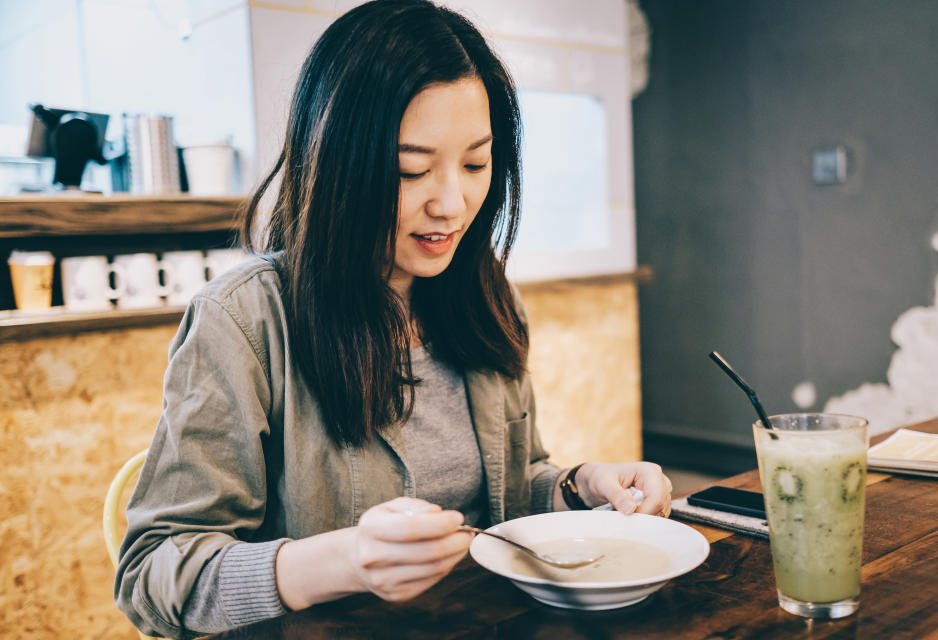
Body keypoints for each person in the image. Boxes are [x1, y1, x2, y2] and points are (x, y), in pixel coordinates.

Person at [114, 1, 673, 637]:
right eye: (411, 170)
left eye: (475, 163)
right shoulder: (243, 322)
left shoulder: (482, 296)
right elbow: (153, 575)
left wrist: (580, 487)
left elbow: (507, 492)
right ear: (337, 165)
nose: (452, 203)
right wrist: (344, 561)